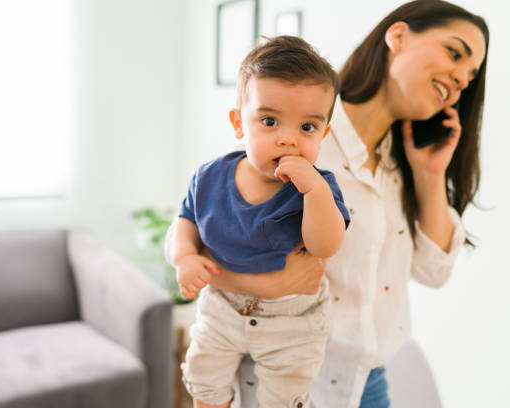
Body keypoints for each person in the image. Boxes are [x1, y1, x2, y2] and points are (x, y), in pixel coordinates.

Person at [165, 1, 489, 407]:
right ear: (399, 37)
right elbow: (204, 239)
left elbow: (433, 271)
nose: (461, 78)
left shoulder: (400, 159)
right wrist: (268, 285)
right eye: (454, 53)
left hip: (368, 385)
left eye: (471, 74)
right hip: (291, 380)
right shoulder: (290, 145)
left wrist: (430, 175)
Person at [169, 36, 351, 408]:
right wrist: (185, 257)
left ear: (324, 134)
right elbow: (185, 220)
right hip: (222, 306)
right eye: (270, 121)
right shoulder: (210, 177)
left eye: (307, 128)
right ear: (239, 123)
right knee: (203, 375)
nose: (288, 139)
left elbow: (325, 246)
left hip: (292, 320)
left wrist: (314, 192)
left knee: (286, 391)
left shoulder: (316, 187)